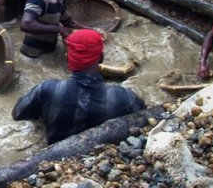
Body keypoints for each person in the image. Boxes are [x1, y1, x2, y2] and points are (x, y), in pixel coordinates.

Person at [12, 29, 146, 144]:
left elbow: (18, 113)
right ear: (101, 57)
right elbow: (143, 115)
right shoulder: (125, 96)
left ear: (68, 59)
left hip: (56, 160)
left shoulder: (47, 89)